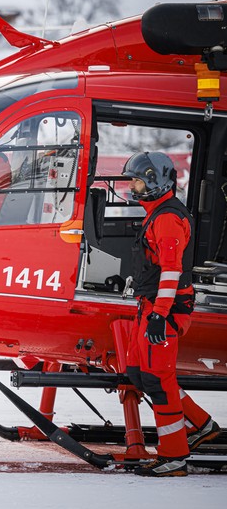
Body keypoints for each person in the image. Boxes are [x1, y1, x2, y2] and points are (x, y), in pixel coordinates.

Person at [122, 152, 220, 477]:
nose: (132, 187)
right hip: (150, 306)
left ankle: (174, 457)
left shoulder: (167, 219)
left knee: (158, 382)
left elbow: (171, 271)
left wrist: (159, 316)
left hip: (163, 311)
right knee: (139, 374)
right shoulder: (156, 214)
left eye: (137, 180)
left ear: (154, 181)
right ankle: (202, 424)